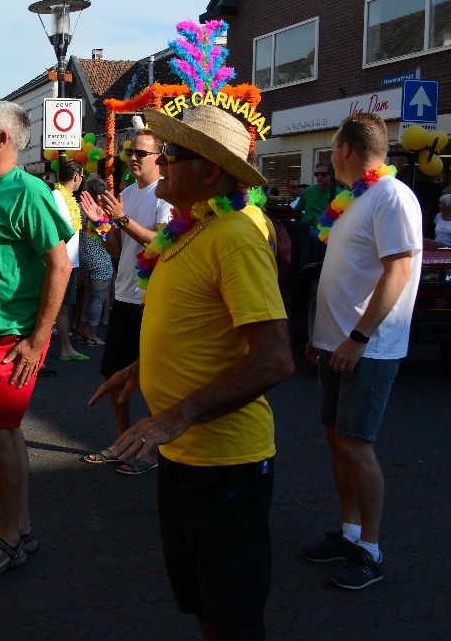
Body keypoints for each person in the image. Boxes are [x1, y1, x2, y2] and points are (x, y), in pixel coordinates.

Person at [88, 103, 294, 639]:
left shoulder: (235, 235)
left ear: (209, 171)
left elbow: (274, 358)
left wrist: (174, 417)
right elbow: (195, 323)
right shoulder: (191, 229)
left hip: (224, 460)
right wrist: (139, 367)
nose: (162, 162)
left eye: (173, 154)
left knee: (232, 611)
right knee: (202, 596)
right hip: (185, 454)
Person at [303, 113, 422, 590]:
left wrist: (359, 338)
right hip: (337, 344)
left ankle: (370, 549)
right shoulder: (353, 199)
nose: (331, 157)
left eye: (332, 149)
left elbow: (399, 269)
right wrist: (322, 335)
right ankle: (350, 533)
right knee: (337, 439)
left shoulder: (392, 196)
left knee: (356, 445)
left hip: (368, 350)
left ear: (346, 150)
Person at [0, 100, 73, 577]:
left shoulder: (29, 192)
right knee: (5, 433)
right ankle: (19, 527)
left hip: (12, 337)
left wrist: (38, 336)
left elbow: (60, 264)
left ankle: (10, 536)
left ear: (2, 138)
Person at [78, 128, 171, 475]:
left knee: (152, 381)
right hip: (125, 296)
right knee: (112, 374)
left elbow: (160, 245)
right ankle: (123, 442)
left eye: (141, 153)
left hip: (153, 301)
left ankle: (150, 449)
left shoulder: (165, 196)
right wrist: (100, 225)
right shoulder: (128, 193)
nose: (132, 157)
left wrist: (120, 219)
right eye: (130, 151)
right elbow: (118, 249)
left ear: (159, 158)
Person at [50, 161, 87, 362]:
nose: (81, 180)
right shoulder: (56, 198)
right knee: (53, 306)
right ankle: (47, 351)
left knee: (63, 307)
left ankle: (66, 348)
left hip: (69, 263)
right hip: (59, 263)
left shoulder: (69, 199)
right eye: (81, 176)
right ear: (76, 177)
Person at [75, 175, 113, 345]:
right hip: (100, 258)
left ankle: (82, 331)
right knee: (97, 298)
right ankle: (92, 335)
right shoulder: (103, 211)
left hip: (82, 256)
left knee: (87, 295)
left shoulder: (79, 208)